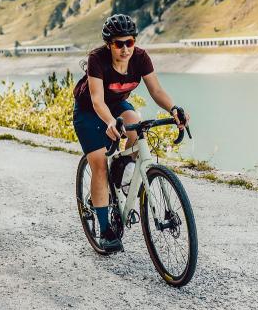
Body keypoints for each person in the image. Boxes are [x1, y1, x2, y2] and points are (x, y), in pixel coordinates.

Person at [72, 14, 190, 252]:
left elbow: (156, 90)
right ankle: (105, 230)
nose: (125, 49)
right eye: (119, 44)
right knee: (99, 166)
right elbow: (96, 100)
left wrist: (173, 109)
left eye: (130, 42)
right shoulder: (97, 58)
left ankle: (123, 166)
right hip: (89, 111)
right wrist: (109, 123)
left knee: (135, 122)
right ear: (109, 45)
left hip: (116, 106)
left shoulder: (141, 58)